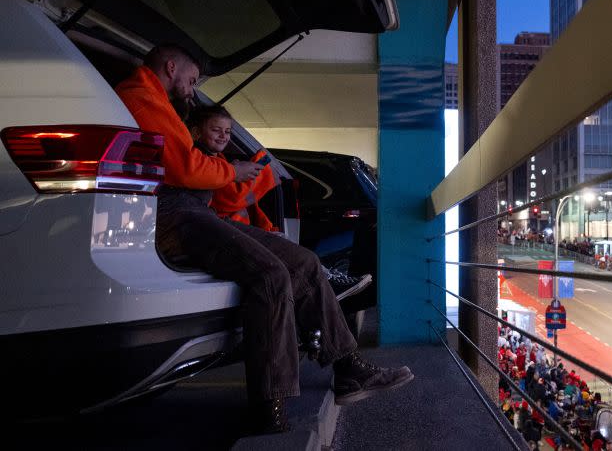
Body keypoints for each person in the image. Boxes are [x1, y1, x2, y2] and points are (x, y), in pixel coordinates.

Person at [114, 45, 413, 434]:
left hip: (193, 212)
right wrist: (232, 171)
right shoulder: (141, 96)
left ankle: (348, 368)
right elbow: (185, 167)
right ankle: (267, 404)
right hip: (172, 214)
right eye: (189, 79)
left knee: (303, 262)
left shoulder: (157, 101)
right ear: (170, 67)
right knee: (271, 275)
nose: (191, 88)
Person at [186, 104, 372, 300]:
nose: (223, 136)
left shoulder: (219, 160)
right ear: (196, 132)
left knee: (292, 253)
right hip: (226, 235)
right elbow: (232, 198)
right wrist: (255, 168)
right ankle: (326, 284)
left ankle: (327, 281)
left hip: (234, 233)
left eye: (227, 131)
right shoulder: (203, 163)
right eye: (216, 130)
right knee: (290, 258)